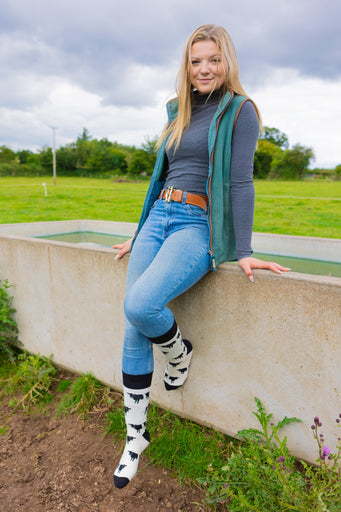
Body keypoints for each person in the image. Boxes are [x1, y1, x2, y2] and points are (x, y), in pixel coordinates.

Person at [112, 24, 289, 489]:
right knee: (132, 326)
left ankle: (178, 352)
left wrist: (244, 250)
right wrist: (139, 232)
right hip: (158, 218)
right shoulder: (178, 109)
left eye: (213, 59)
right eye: (196, 61)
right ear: (186, 68)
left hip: (196, 223)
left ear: (226, 61)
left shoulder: (241, 110)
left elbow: (239, 182)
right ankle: (135, 438)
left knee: (140, 305)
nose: (204, 68)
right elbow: (161, 173)